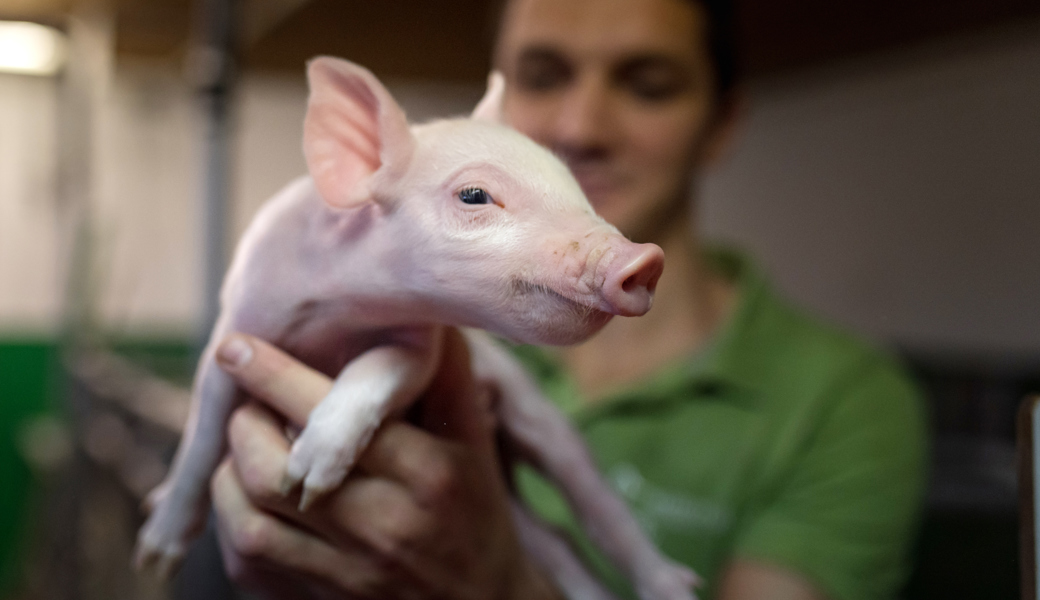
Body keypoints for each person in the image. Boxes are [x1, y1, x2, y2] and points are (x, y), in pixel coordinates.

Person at [207, 0, 928, 598]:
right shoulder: (424, 316)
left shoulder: (843, 403)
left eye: (648, 84)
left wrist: (501, 582)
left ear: (723, 122)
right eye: (543, 76)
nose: (581, 128)